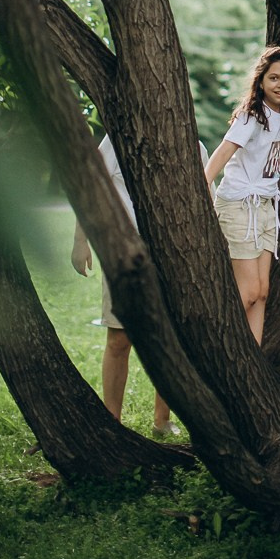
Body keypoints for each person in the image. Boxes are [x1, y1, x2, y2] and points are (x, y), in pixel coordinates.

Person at [71, 134, 208, 439]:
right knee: (120, 338)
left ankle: (162, 420)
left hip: (175, 256)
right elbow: (89, 185)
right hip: (123, 251)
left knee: (171, 339)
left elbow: (207, 201)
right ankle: (113, 422)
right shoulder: (116, 141)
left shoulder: (194, 147)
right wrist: (81, 240)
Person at [204, 46, 280, 345]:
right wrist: (202, 188)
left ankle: (253, 360)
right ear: (260, 81)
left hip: (265, 208)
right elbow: (224, 151)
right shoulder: (251, 116)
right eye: (274, 78)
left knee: (261, 293)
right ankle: (215, 348)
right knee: (247, 292)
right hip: (239, 206)